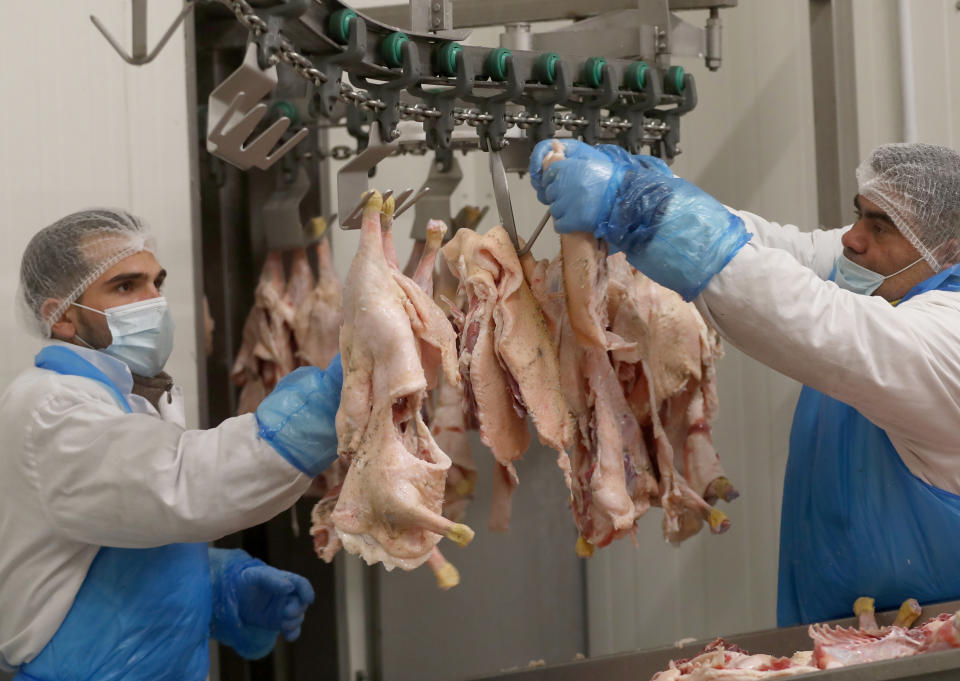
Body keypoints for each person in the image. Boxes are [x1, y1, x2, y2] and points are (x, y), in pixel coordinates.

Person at [530, 140, 960, 626]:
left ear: (947, 251)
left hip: (930, 652)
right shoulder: (892, 271)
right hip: (838, 636)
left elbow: (807, 318)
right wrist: (655, 188)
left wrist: (640, 208)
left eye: (878, 227)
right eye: (858, 215)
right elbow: (776, 252)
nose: (851, 239)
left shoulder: (947, 338)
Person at [0, 209, 344, 680]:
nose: (154, 301)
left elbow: (113, 530)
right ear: (60, 317)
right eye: (126, 287)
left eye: (156, 282)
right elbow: (179, 487)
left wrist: (214, 584)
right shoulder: (52, 406)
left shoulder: (129, 395)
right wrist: (321, 411)